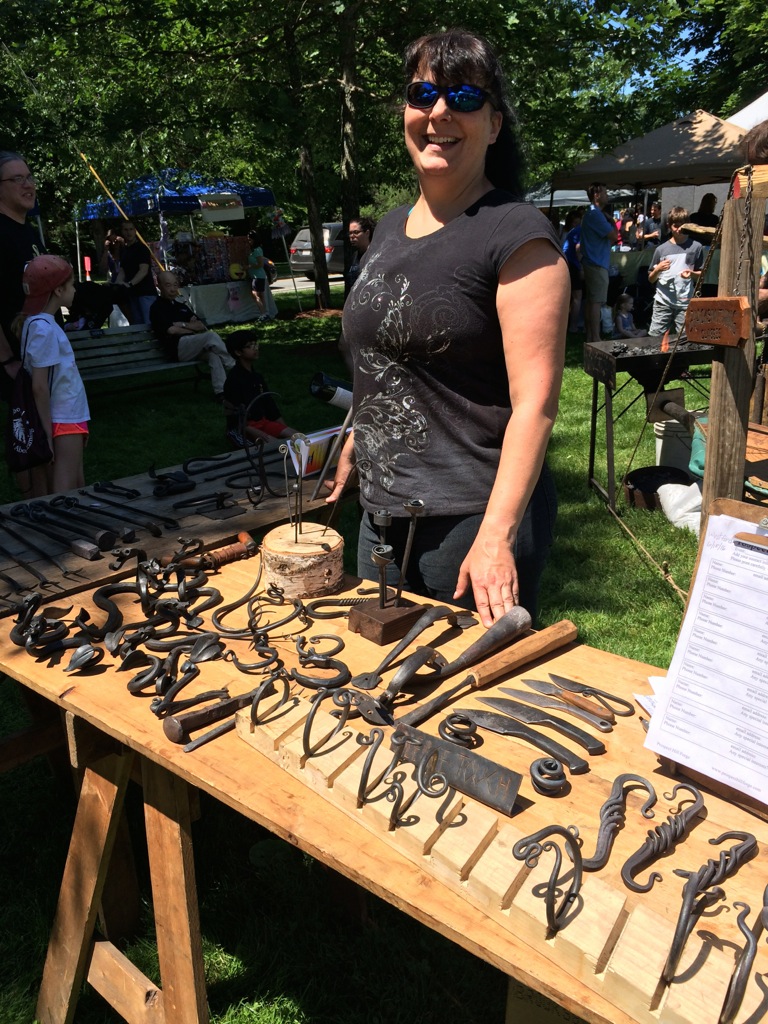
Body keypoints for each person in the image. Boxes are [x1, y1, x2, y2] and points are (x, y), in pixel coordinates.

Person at [325, 28, 569, 626]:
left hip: (470, 521)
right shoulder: (388, 228)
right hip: (381, 515)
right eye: (423, 94)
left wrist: (496, 535)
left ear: (494, 123)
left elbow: (536, 404)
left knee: (466, 681)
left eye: (463, 97)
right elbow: (384, 353)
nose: (438, 112)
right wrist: (361, 433)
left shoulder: (516, 235)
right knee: (375, 672)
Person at [13, 255, 89, 496]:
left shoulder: (39, 324)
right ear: (58, 290)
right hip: (63, 417)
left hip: (69, 415)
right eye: (72, 284)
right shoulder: (43, 329)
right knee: (65, 488)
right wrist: (47, 433)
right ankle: (66, 521)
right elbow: (39, 386)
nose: (74, 290)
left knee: (76, 482)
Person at [0, 151, 44, 400]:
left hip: (42, 357)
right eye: (17, 179)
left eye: (29, 177)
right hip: (18, 365)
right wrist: (7, 360)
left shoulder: (28, 230)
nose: (28, 185)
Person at [149, 271, 234, 399]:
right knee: (211, 336)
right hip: (177, 348)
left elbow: (201, 326)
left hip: (193, 345)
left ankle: (221, 392)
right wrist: (189, 327)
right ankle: (234, 366)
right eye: (168, 285)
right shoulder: (157, 308)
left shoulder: (181, 306)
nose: (173, 289)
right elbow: (171, 331)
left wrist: (182, 325)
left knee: (214, 355)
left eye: (175, 285)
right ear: (159, 286)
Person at [222, 329, 297, 443]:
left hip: (262, 422)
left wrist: (284, 429)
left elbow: (270, 407)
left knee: (299, 438)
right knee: (277, 447)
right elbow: (236, 418)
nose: (255, 348)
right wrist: (261, 435)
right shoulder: (234, 380)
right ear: (238, 352)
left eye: (255, 344)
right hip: (242, 429)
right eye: (249, 346)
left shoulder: (257, 377)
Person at [647, 207, 704, 336]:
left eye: (682, 226)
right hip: (662, 301)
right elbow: (651, 278)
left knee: (685, 338)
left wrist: (692, 274)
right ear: (669, 226)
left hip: (685, 302)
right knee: (655, 337)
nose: (679, 230)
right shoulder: (661, 249)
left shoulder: (696, 247)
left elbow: (701, 275)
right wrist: (658, 269)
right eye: (675, 226)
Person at [581, 182, 618, 346]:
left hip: (592, 262)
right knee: (596, 302)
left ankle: (590, 336)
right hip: (597, 263)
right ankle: (596, 338)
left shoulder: (591, 214)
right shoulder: (595, 215)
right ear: (596, 195)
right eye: (605, 192)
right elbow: (614, 236)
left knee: (591, 301)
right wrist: (612, 221)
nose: (607, 195)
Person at [116, 220, 158, 324]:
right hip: (132, 294)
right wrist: (117, 283)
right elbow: (122, 270)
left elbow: (143, 270)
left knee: (149, 323)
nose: (128, 232)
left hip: (146, 293)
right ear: (122, 231)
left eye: (131, 229)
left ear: (135, 231)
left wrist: (130, 284)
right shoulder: (124, 250)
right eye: (126, 230)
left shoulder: (142, 248)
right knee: (137, 324)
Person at [562, 209, 583, 333]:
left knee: (570, 297)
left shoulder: (571, 231)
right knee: (577, 297)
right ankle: (573, 327)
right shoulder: (580, 231)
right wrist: (581, 266)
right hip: (572, 265)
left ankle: (567, 325)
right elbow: (578, 249)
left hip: (565, 263)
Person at [346, 216, 375, 291]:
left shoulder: (375, 255)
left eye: (356, 232)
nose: (352, 236)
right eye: (350, 233)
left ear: (367, 233)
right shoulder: (353, 257)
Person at [247, 230, 268, 316]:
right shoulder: (253, 250)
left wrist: (248, 267)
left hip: (258, 276)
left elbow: (260, 264)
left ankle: (263, 313)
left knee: (255, 294)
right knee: (261, 295)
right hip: (257, 276)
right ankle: (265, 313)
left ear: (254, 240)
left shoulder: (257, 250)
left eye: (250, 239)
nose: (249, 241)